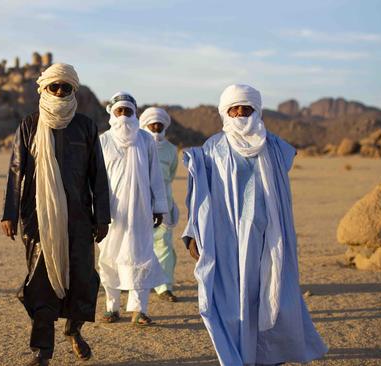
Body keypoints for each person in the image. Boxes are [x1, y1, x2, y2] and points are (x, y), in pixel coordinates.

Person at [182, 84, 328, 365]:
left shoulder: (275, 146)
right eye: (234, 108)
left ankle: (273, 354)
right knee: (232, 302)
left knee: (275, 298)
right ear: (225, 112)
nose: (240, 113)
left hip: (270, 236)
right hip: (228, 239)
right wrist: (193, 233)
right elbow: (199, 194)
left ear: (256, 110)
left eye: (246, 108)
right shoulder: (213, 148)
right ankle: (240, 356)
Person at [1, 63, 110, 366]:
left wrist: (103, 216)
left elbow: (97, 176)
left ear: (74, 90)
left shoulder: (86, 126)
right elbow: (16, 172)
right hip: (38, 218)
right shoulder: (30, 124)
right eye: (54, 86)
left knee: (83, 280)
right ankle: (42, 352)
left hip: (78, 218)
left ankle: (74, 330)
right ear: (44, 88)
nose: (60, 91)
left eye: (66, 87)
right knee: (41, 283)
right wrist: (9, 213)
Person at [98, 92, 168, 326]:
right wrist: (95, 210)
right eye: (120, 111)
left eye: (128, 111)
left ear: (135, 113)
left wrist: (158, 207)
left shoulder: (146, 140)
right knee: (109, 258)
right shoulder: (103, 141)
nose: (124, 116)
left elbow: (155, 176)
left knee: (140, 257)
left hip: (140, 211)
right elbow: (95, 180)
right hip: (110, 212)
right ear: (112, 114)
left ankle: (139, 310)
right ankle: (112, 307)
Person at [139, 107, 180, 302]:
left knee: (163, 245)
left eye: (159, 124)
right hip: (138, 204)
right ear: (144, 125)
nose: (156, 127)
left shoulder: (172, 150)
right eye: (152, 124)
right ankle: (132, 283)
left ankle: (164, 286)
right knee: (136, 245)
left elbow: (170, 175)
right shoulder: (136, 145)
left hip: (164, 205)